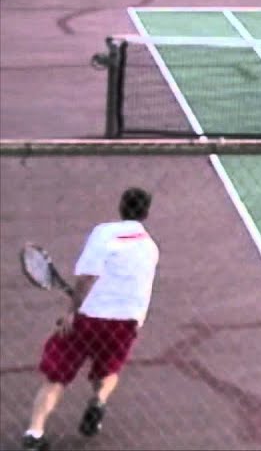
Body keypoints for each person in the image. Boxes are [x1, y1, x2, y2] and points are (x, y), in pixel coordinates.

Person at [23, 188, 160, 451]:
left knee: (56, 377)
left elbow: (87, 276)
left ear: (121, 206)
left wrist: (71, 312)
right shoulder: (151, 248)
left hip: (89, 320)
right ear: (146, 213)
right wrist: (135, 323)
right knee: (108, 370)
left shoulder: (104, 233)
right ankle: (98, 401)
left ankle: (35, 433)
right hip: (125, 322)